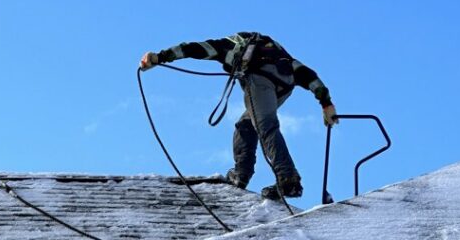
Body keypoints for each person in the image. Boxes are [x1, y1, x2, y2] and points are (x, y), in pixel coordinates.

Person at [140, 33, 337, 199]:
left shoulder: (227, 46)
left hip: (260, 80)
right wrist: (326, 102)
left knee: (265, 126)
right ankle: (241, 175)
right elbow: (307, 74)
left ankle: (288, 180)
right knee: (246, 125)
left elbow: (192, 49)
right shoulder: (277, 52)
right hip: (284, 87)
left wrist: (159, 57)